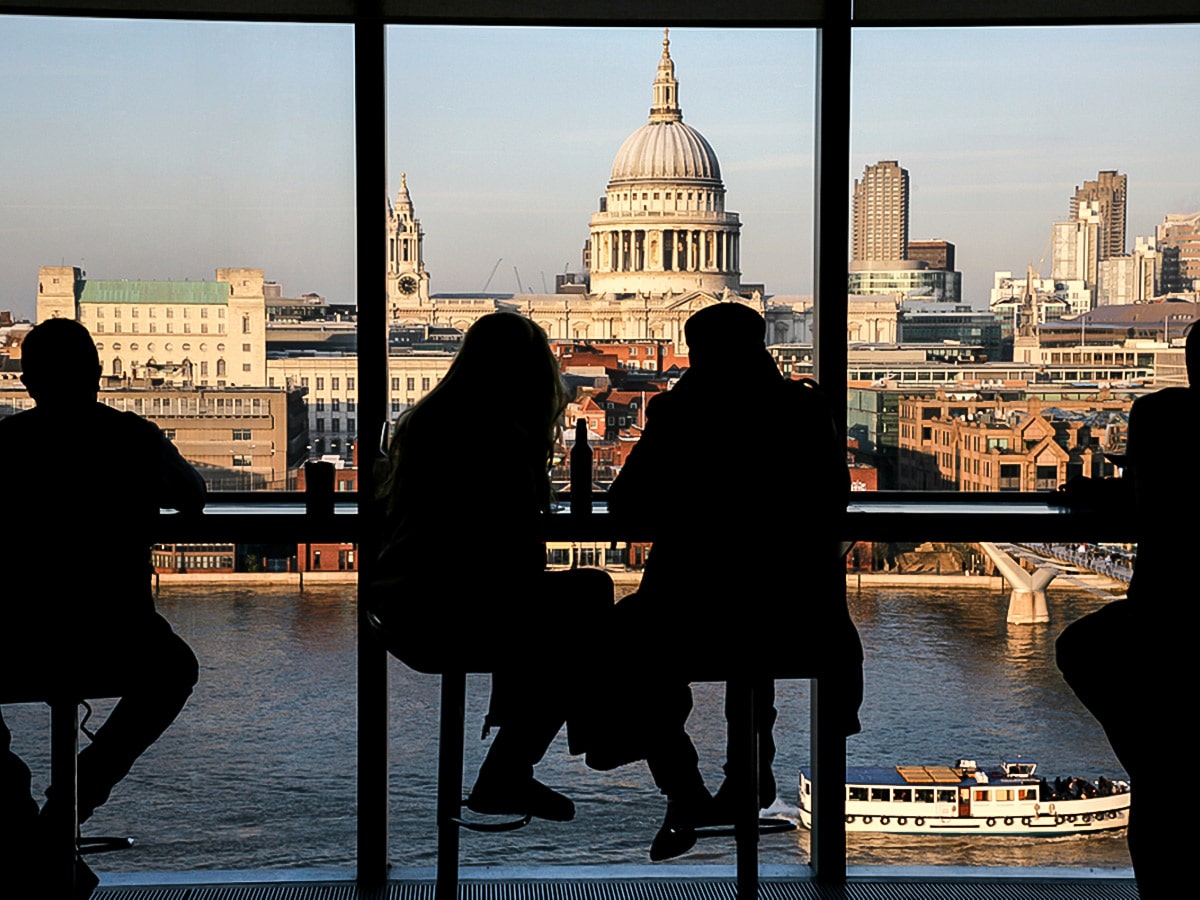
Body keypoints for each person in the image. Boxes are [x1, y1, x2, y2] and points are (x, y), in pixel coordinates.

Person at [602, 302, 864, 860]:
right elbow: (834, 500)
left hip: (693, 613)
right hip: (802, 619)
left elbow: (624, 505)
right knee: (753, 634)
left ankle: (683, 788)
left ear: (699, 356)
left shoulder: (681, 415)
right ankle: (750, 773)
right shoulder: (807, 411)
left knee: (621, 639)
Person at [370, 311, 614, 822]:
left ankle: (532, 755)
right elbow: (515, 555)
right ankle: (526, 760)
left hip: (399, 606)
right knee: (589, 593)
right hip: (450, 611)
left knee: (548, 614)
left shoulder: (424, 422)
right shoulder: (501, 438)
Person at [0, 317, 204, 896]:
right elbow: (193, 499)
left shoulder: (6, 445)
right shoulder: (133, 438)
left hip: (22, 636)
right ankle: (70, 806)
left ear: (28, 381)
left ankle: (24, 828)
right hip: (117, 632)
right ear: (96, 374)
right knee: (175, 671)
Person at [1056, 325, 1197, 900]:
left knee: (1078, 648)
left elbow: (1142, 495)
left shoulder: (1165, 416)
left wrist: (1088, 494)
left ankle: (1151, 763)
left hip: (1165, 615)